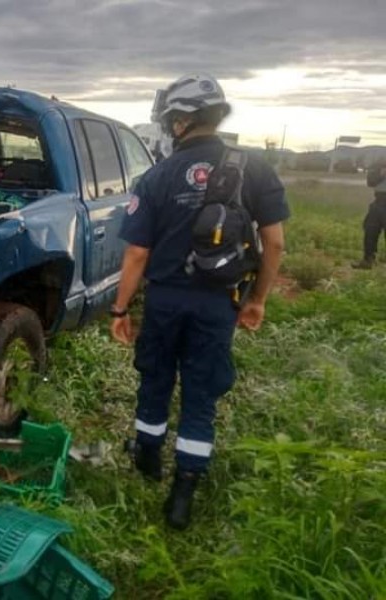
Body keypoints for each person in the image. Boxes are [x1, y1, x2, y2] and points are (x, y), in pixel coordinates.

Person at [109, 73, 290, 530]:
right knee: (200, 395)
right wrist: (257, 301)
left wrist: (120, 308)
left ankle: (148, 460)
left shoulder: (156, 176)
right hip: (219, 303)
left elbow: (136, 253)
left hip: (166, 300)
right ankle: (183, 494)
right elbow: (275, 244)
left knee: (155, 380)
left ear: (180, 123)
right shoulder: (256, 170)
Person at [352, 161, 386, 269]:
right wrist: (382, 174)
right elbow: (370, 182)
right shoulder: (380, 165)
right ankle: (368, 260)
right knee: (370, 229)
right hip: (379, 201)